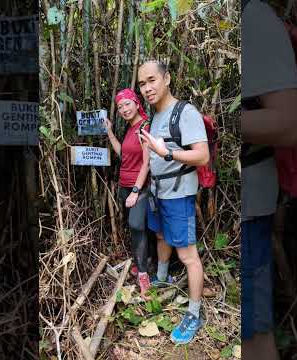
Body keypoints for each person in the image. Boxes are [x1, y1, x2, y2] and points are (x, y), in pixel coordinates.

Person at [241, 1, 297, 359]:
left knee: (252, 338)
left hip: (249, 208)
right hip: (233, 205)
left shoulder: (253, 18)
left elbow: (291, 123)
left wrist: (222, 119)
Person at [137, 60, 210, 344]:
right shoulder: (152, 117)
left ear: (167, 78)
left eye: (152, 80)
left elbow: (202, 156)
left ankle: (194, 312)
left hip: (179, 193)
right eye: (142, 84)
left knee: (188, 255)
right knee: (160, 235)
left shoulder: (185, 112)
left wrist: (167, 153)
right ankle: (163, 277)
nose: (147, 88)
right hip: (158, 191)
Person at [104, 88, 152, 295]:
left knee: (136, 225)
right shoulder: (130, 128)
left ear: (136, 102)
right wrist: (110, 132)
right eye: (120, 106)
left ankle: (143, 275)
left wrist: (135, 191)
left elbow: (146, 164)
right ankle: (145, 263)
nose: (124, 109)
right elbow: (123, 154)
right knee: (137, 229)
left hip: (139, 188)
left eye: (127, 104)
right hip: (125, 186)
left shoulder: (145, 126)